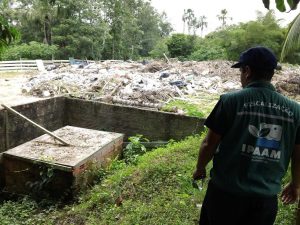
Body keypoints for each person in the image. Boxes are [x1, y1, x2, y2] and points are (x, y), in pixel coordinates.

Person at [193, 46, 300, 225]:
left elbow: (209, 143)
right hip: (265, 201)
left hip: (225, 196)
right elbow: (298, 153)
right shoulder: (296, 110)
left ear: (247, 71)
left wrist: (200, 168)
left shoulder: (230, 101)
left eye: (241, 71)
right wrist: (296, 184)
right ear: (272, 73)